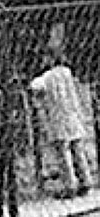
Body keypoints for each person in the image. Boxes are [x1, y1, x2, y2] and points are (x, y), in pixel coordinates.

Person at [29, 53, 94, 196]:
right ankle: (86, 181)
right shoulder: (67, 72)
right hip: (73, 114)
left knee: (63, 152)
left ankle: (70, 184)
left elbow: (34, 86)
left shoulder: (48, 76)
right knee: (78, 149)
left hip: (58, 116)